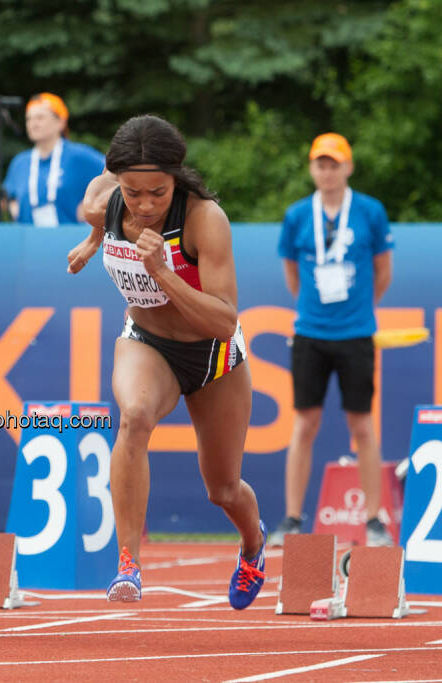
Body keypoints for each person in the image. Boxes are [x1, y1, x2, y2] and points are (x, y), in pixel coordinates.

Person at [67, 114, 266, 609]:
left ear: (176, 177)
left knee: (222, 489)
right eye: (133, 192)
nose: (146, 204)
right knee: (133, 417)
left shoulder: (204, 219)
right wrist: (95, 243)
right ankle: (128, 564)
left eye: (158, 191)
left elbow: (222, 321)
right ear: (117, 180)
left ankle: (253, 545)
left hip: (213, 355)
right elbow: (94, 213)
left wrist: (162, 270)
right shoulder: (105, 198)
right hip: (148, 343)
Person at [269, 133, 394, 548]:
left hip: (356, 333)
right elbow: (292, 274)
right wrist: (313, 309)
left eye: (334, 163)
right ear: (311, 168)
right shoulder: (297, 215)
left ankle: (374, 520)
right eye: (320, 164)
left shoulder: (370, 212)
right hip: (310, 333)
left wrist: (358, 310)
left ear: (348, 167)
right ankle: (291, 518)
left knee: (362, 423)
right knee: (305, 423)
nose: (327, 171)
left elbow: (382, 273)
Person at [2, 93, 106, 227]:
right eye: (29, 119)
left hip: (71, 239)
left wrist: (93, 206)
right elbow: (5, 199)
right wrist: (14, 208)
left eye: (40, 117)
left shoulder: (78, 156)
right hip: (28, 241)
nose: (33, 123)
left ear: (61, 122)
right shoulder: (20, 162)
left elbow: (117, 177)